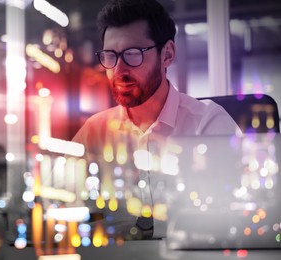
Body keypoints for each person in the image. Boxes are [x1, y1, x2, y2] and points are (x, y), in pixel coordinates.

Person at [71, 0, 241, 240]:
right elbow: (65, 205)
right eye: (110, 56)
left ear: (167, 54)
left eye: (132, 54)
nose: (119, 70)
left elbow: (232, 217)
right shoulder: (94, 130)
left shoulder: (208, 124)